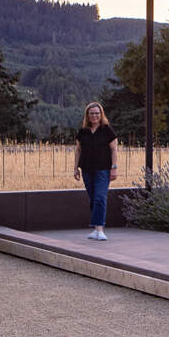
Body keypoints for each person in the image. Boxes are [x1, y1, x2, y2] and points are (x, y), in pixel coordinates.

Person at [73, 102, 119, 241]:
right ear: (87, 115)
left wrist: (114, 168)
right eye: (92, 113)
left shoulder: (107, 130)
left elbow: (114, 149)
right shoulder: (83, 131)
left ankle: (100, 228)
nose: (94, 116)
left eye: (97, 113)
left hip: (103, 169)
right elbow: (78, 150)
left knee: (100, 197)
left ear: (101, 114)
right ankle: (95, 229)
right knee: (93, 198)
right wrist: (75, 168)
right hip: (87, 169)